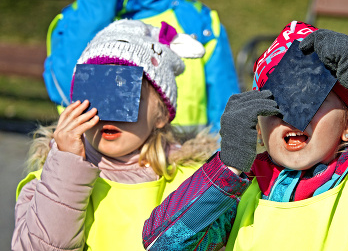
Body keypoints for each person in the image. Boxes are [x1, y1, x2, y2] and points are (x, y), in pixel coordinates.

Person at [141, 21, 348, 250]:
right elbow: (162, 243)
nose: (289, 116)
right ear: (258, 127)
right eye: (273, 105)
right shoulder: (242, 188)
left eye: (309, 101)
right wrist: (229, 163)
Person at [12, 19, 219, 250]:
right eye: (95, 95)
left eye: (126, 95)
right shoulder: (51, 181)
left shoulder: (193, 183)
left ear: (161, 114)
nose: (108, 114)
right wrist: (65, 167)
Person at [43, 0, 239, 134]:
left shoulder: (198, 21)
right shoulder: (81, 17)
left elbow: (224, 107)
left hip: (187, 162)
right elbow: (64, 86)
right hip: (104, 161)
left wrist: (223, 164)